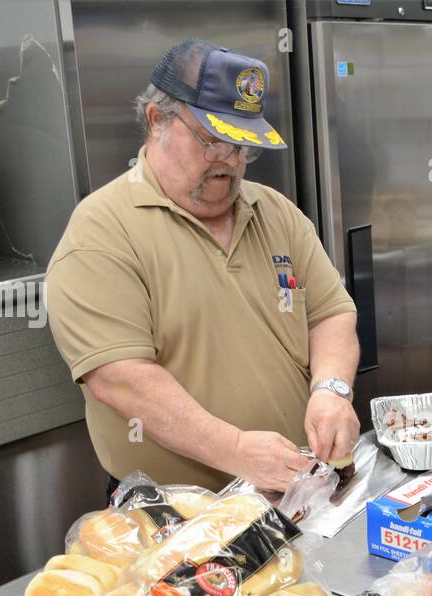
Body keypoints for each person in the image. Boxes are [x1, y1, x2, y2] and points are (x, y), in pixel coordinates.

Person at [46, 39, 360, 496]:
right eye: (213, 141)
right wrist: (234, 449)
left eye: (243, 146)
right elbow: (121, 379)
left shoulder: (275, 212)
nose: (231, 162)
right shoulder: (101, 233)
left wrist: (331, 389)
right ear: (157, 122)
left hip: (292, 488)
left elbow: (331, 313)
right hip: (175, 510)